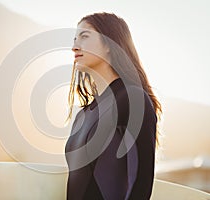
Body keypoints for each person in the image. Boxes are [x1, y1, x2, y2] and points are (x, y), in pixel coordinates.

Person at [65, 12, 162, 200]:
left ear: (110, 43)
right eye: (75, 39)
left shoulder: (133, 100)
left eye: (84, 36)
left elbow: (141, 183)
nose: (74, 46)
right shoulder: (83, 114)